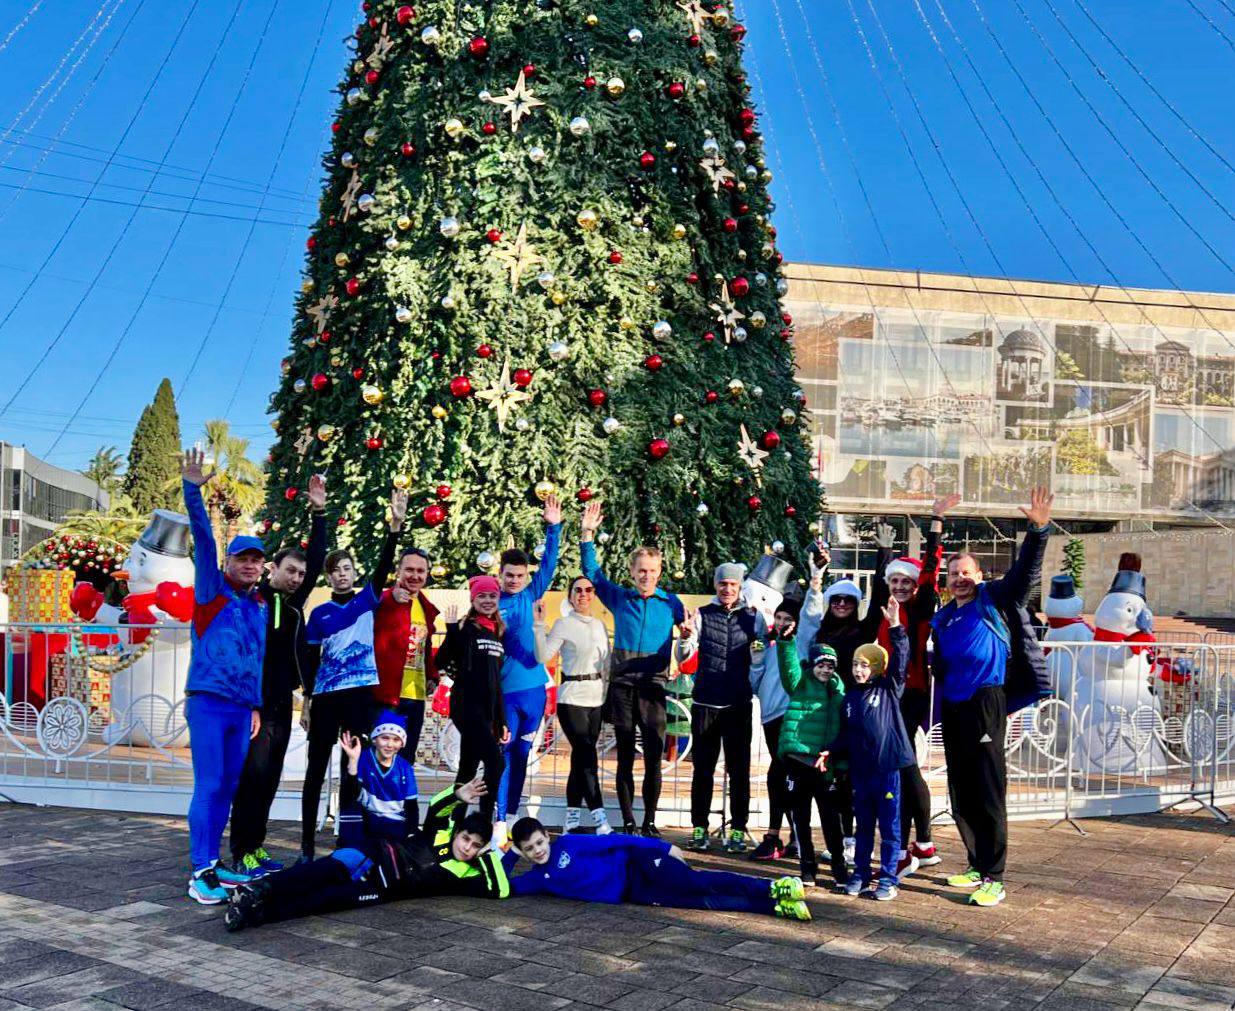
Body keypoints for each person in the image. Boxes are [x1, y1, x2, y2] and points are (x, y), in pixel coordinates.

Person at [932, 487, 1053, 908]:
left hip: (987, 703)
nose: (960, 578)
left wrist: (1037, 531)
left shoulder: (994, 600)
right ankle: (974, 862)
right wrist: (935, 520)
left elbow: (1025, 575)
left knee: (987, 788)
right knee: (961, 788)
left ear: (979, 576)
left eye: (967, 572)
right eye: (954, 574)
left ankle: (995, 876)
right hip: (955, 705)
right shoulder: (945, 616)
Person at [223, 776, 507, 930]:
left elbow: (500, 890)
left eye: (474, 846)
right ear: (458, 832)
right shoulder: (441, 833)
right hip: (372, 855)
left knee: (322, 900)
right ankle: (258, 889)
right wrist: (458, 795)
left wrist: (490, 849)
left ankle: (254, 915)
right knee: (317, 873)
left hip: (378, 889)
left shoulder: (467, 873)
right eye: (466, 839)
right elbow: (436, 807)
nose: (466, 848)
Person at [227, 474, 328, 878]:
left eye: (302, 575)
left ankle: (256, 848)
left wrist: (319, 512)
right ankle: (241, 852)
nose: (298, 578)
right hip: (254, 705)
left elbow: (318, 559)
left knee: (269, 780)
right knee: (250, 780)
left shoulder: (293, 605)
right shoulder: (257, 600)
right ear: (274, 570)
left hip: (280, 705)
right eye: (291, 571)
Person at [299, 489, 407, 861]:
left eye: (347, 569)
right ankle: (306, 845)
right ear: (328, 576)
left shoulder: (367, 600)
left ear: (354, 573)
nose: (342, 575)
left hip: (359, 696)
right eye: (335, 570)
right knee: (315, 770)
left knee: (352, 768)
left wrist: (395, 526)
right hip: (326, 698)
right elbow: (310, 662)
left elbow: (384, 566)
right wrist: (307, 702)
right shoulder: (319, 614)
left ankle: (348, 840)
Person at [179, 448, 267, 904]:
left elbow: (256, 658)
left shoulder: (258, 605)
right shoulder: (212, 590)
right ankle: (199, 872)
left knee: (229, 786)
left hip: (239, 708)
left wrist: (254, 705)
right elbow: (203, 538)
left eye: (256, 560)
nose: (250, 565)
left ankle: (214, 864)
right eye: (243, 559)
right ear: (229, 563)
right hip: (209, 702)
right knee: (210, 784)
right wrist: (193, 490)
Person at [579, 500, 685, 835]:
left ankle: (650, 820)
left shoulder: (671, 604)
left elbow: (689, 633)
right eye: (641, 570)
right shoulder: (620, 597)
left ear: (660, 572)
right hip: (622, 687)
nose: (647, 576)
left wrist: (689, 634)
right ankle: (627, 821)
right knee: (624, 756)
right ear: (632, 571)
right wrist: (586, 534)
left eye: (653, 571)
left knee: (653, 757)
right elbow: (593, 573)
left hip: (654, 687)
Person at [504, 817, 811, 921]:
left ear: (547, 835)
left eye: (540, 842)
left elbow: (617, 840)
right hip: (635, 893)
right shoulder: (537, 878)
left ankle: (772, 886)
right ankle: (775, 907)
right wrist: (509, 853)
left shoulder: (570, 843)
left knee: (698, 883)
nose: (538, 851)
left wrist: (664, 848)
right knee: (702, 902)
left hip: (638, 864)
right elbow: (503, 888)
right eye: (529, 849)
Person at [878, 495, 958, 876]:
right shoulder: (885, 607)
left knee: (906, 767)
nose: (899, 586)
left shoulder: (921, 606)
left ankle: (921, 842)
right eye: (894, 580)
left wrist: (936, 521)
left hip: (909, 695)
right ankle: (915, 845)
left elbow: (930, 569)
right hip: (884, 695)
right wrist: (883, 551)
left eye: (904, 581)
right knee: (899, 768)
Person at [813, 525, 896, 864]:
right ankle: (830, 836)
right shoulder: (820, 630)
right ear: (830, 602)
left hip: (853, 709)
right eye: (838, 599)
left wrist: (884, 556)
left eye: (849, 600)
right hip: (825, 709)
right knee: (826, 776)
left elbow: (878, 599)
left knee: (848, 778)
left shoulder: (862, 629)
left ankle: (850, 839)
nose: (844, 604)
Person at [675, 563, 768, 854]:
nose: (727, 589)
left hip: (738, 703)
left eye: (733, 585)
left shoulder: (754, 617)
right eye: (722, 584)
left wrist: (754, 671)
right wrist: (686, 637)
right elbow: (682, 658)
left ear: (740, 587)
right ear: (716, 586)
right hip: (705, 702)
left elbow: (761, 661)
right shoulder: (702, 614)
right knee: (703, 770)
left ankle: (739, 828)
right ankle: (699, 827)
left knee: (739, 770)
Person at [748, 553, 824, 862]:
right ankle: (790, 837)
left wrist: (816, 581)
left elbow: (812, 615)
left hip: (793, 717)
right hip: (770, 718)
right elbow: (756, 685)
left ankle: (779, 836)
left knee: (783, 775)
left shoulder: (801, 639)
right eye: (778, 618)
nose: (781, 623)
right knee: (784, 776)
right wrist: (754, 663)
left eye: (787, 619)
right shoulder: (767, 646)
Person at [495, 495, 562, 839]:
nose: (515, 580)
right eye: (509, 575)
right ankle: (497, 821)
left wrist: (554, 527)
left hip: (534, 690)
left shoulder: (531, 592)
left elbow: (549, 563)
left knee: (522, 754)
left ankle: (510, 812)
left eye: (520, 575)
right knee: (504, 753)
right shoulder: (490, 600)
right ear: (500, 574)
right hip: (505, 692)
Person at [836, 600, 912, 901]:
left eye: (864, 665)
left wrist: (895, 626)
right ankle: (861, 874)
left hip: (887, 770)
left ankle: (889, 879)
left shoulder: (888, 689)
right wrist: (830, 751)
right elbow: (845, 734)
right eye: (855, 664)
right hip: (862, 772)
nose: (858, 670)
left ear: (877, 667)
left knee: (890, 828)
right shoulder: (850, 699)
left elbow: (901, 657)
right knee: (864, 826)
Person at [533, 577, 612, 834]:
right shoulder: (564, 624)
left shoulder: (600, 625)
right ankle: (600, 818)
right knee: (587, 754)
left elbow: (607, 665)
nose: (583, 594)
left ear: (594, 594)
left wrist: (609, 697)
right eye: (577, 590)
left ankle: (571, 819)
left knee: (581, 760)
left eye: (588, 590)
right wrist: (538, 625)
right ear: (570, 595)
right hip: (571, 697)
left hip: (596, 697)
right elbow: (543, 656)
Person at [775, 631, 848, 889]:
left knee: (830, 818)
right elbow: (788, 667)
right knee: (800, 818)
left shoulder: (839, 691)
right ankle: (807, 866)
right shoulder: (800, 683)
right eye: (821, 665)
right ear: (813, 665)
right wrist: (786, 643)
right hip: (798, 761)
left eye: (830, 666)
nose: (825, 670)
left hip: (824, 765)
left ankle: (839, 865)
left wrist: (840, 763)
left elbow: (842, 729)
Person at [439, 576, 510, 824]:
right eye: (482, 596)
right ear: (473, 599)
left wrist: (501, 720)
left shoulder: (499, 632)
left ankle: (452, 823)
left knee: (468, 769)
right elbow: (446, 659)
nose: (488, 600)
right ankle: (482, 821)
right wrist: (449, 628)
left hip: (488, 711)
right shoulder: (466, 628)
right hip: (467, 707)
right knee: (496, 763)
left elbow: (497, 682)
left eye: (492, 596)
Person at [373, 547, 440, 761]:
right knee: (381, 760)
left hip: (416, 695)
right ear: (398, 571)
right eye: (409, 569)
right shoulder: (382, 600)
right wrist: (390, 601)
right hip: (387, 695)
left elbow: (426, 645)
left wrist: (432, 674)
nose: (415, 576)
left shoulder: (425, 606)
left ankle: (401, 796)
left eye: (420, 571)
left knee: (405, 760)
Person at [336, 715, 418, 848]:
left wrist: (411, 833)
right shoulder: (362, 758)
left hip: (394, 822)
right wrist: (352, 762)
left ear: (402, 743)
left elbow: (412, 806)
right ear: (374, 739)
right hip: (367, 819)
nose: (390, 745)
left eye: (396, 740)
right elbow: (348, 797)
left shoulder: (405, 768)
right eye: (384, 738)